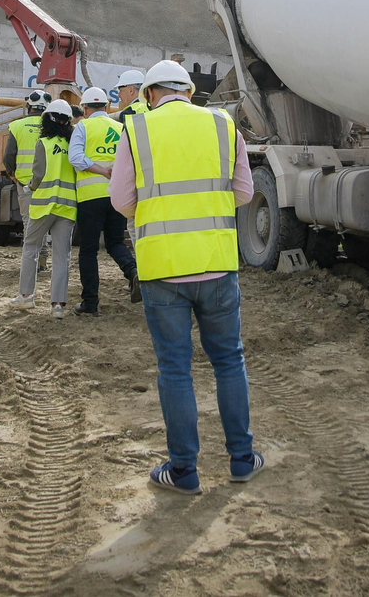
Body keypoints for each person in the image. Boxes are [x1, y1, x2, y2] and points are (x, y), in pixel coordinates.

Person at [112, 59, 261, 494]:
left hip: (162, 268)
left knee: (175, 369)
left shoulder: (136, 129)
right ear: (190, 92)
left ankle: (184, 471)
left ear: (149, 95)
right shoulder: (223, 124)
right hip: (217, 262)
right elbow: (244, 192)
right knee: (229, 360)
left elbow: (121, 200)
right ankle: (241, 459)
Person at [69, 87, 138, 315]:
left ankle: (90, 303)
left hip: (90, 198)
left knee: (88, 250)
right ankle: (133, 272)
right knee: (116, 243)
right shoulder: (120, 127)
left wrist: (100, 170)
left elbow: (75, 158)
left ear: (85, 108)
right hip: (116, 195)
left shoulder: (83, 126)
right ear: (107, 107)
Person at [11, 99, 77, 317]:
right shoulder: (73, 146)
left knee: (31, 247)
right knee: (62, 255)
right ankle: (57, 305)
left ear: (46, 120)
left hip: (43, 206)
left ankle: (26, 296)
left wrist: (29, 187)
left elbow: (38, 175)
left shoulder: (44, 144)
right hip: (67, 207)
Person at [4, 89, 48, 267]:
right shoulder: (51, 125)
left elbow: (9, 155)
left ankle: (31, 261)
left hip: (24, 182)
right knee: (44, 220)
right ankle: (42, 259)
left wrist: (11, 174)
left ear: (29, 106)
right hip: (48, 181)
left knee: (29, 221)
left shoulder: (17, 126)